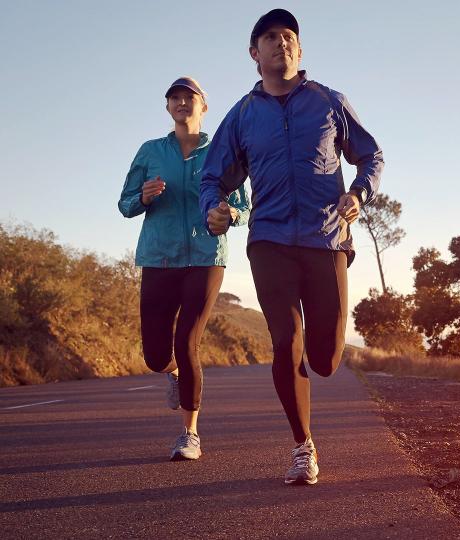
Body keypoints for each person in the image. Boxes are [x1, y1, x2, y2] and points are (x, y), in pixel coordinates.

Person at [200, 9, 384, 485]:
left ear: (299, 50)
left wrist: (358, 192)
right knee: (286, 340)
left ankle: (315, 368)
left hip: (326, 240)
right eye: (269, 37)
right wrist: (213, 208)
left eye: (288, 37)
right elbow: (213, 177)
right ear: (253, 53)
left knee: (324, 360)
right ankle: (303, 446)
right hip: (270, 241)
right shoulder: (241, 115)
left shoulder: (329, 102)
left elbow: (371, 154)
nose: (280, 43)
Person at [119, 77, 250, 461]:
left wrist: (230, 215)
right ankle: (173, 373)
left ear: (203, 106)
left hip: (206, 258)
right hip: (158, 256)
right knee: (156, 356)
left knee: (187, 340)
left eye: (188, 97)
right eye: (174, 98)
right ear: (167, 107)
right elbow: (125, 203)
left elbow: (244, 204)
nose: (181, 103)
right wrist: (141, 197)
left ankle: (189, 434)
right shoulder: (150, 151)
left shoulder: (222, 151)